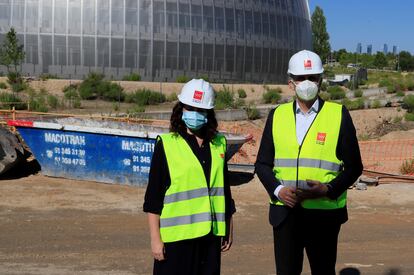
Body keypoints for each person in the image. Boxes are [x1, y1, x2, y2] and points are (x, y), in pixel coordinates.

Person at [255, 50, 363, 275]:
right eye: (301, 78)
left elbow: (354, 167)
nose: (307, 83)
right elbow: (262, 164)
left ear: (321, 80)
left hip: (323, 215)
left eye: (312, 77)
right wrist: (278, 190)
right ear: (291, 83)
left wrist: (328, 189)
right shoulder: (277, 115)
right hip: (285, 214)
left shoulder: (338, 114)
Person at [143, 79, 235, 275]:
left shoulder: (219, 143)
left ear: (209, 113)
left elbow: (225, 191)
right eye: (190, 108)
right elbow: (153, 198)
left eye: (200, 110)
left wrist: (228, 226)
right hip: (176, 240)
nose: (195, 114)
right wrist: (155, 239)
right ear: (181, 109)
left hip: (209, 238)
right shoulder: (167, 145)